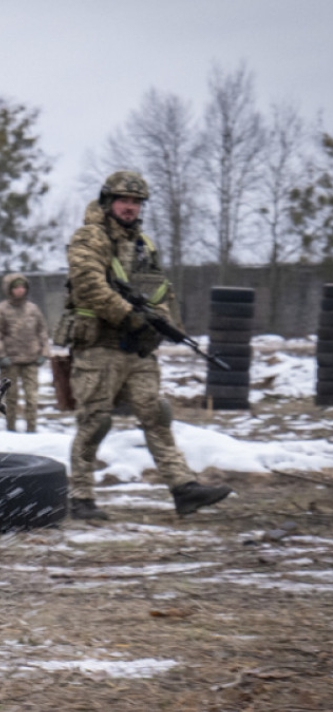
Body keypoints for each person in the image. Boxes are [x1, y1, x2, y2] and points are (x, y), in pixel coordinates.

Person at [64, 171, 232, 520]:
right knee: (95, 422)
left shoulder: (144, 245)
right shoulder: (89, 237)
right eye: (124, 200)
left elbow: (158, 291)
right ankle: (80, 497)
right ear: (109, 201)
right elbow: (89, 286)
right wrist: (130, 316)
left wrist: (165, 326)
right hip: (98, 348)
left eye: (136, 202)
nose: (130, 208)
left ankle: (183, 488)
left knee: (157, 415)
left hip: (136, 350)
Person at [0, 273, 50, 433]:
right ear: (9, 289)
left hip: (31, 360)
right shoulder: (1, 310)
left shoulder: (33, 309)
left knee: (32, 398)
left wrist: (44, 352)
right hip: (11, 362)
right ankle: (11, 429)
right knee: (11, 398)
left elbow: (42, 330)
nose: (20, 290)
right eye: (16, 287)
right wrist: (1, 355)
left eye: (22, 287)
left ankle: (32, 429)